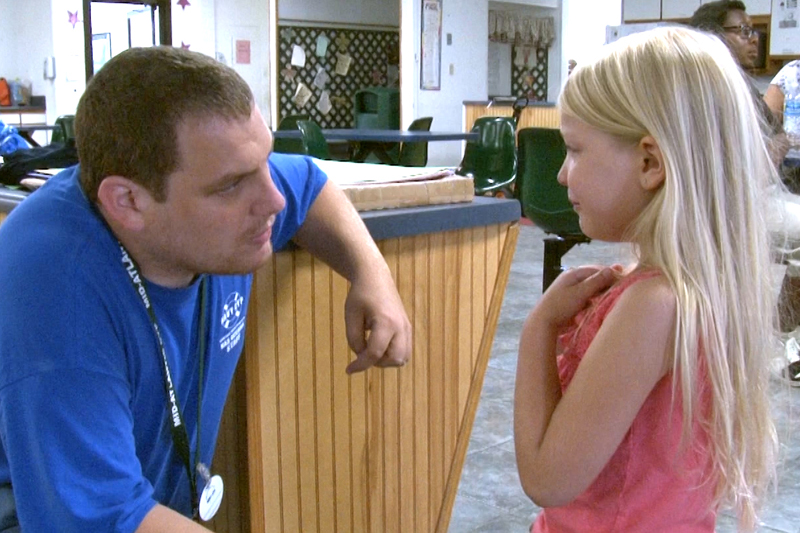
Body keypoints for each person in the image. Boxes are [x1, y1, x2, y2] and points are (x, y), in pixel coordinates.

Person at [0, 46, 411, 532]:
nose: (272, 197)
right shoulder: (55, 292)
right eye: (233, 185)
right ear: (128, 201)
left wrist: (372, 274)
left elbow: (308, 183)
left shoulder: (214, 199)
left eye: (262, 161)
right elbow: (104, 519)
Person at [514, 27, 778, 532]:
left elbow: (548, 480)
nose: (562, 175)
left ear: (650, 162)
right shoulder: (698, 288)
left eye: (575, 150)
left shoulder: (653, 305)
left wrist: (540, 329)